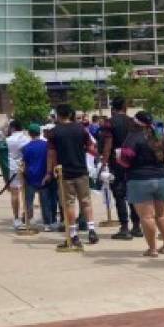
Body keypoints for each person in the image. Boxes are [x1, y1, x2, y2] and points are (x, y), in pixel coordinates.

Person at [118, 112, 164, 257]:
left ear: (136, 123)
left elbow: (126, 160)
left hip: (140, 179)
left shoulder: (133, 138)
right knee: (162, 215)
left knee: (147, 217)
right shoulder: (160, 135)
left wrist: (118, 159)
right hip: (162, 178)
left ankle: (152, 249)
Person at [48, 104, 99, 247]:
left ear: (58, 115)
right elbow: (90, 147)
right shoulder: (81, 129)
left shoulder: (54, 132)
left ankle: (73, 234)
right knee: (86, 201)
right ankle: (91, 230)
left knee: (69, 203)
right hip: (81, 170)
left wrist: (51, 170)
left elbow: (51, 153)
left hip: (65, 172)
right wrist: (98, 156)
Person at [98, 96, 141, 240]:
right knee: (133, 194)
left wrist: (103, 162)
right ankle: (136, 226)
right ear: (125, 107)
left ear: (113, 108)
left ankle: (124, 227)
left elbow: (108, 144)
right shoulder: (133, 122)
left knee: (119, 194)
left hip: (116, 162)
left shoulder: (109, 123)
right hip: (133, 162)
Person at [22, 123, 57, 230]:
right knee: (45, 201)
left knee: (29, 200)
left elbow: (25, 163)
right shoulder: (46, 145)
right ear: (40, 132)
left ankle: (28, 220)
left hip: (30, 176)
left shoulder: (26, 148)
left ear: (29, 134)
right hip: (44, 176)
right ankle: (47, 223)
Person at [6, 119, 30, 229]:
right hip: (26, 167)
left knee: (15, 194)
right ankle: (27, 215)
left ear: (13, 128)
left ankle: (16, 218)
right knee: (27, 193)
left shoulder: (9, 140)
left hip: (13, 168)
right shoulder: (27, 138)